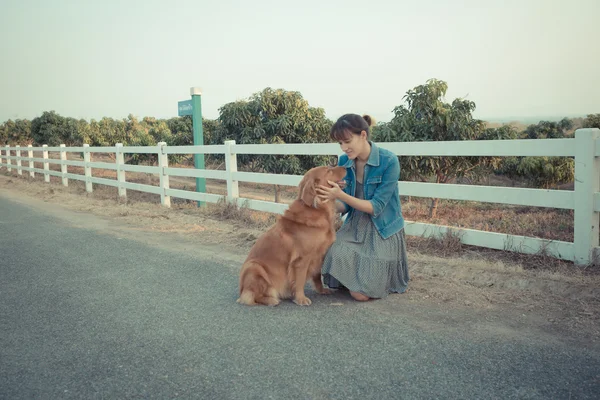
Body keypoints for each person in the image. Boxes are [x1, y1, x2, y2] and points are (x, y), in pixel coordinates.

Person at [316, 113, 409, 301]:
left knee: (359, 294)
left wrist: (340, 195)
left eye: (347, 141)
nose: (344, 148)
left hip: (382, 229)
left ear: (363, 136)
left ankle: (365, 278)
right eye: (340, 143)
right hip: (355, 226)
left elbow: (377, 207)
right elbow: (346, 207)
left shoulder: (389, 161)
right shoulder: (345, 162)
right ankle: (355, 275)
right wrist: (329, 202)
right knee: (331, 250)